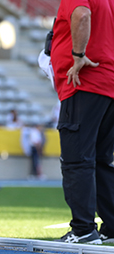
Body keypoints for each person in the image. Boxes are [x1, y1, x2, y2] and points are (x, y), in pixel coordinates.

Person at [50, 0, 114, 244]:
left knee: (77, 160)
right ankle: (111, 224)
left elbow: (82, 15)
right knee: (101, 159)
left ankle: (83, 230)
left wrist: (77, 56)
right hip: (109, 85)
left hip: (84, 84)